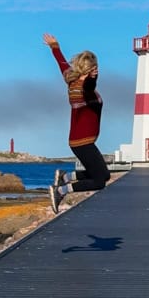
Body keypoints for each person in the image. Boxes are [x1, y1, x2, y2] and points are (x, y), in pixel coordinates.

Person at [43, 32, 111, 213]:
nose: (96, 70)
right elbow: (90, 85)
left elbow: (62, 64)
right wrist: (91, 78)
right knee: (99, 182)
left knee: (103, 175)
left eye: (96, 67)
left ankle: (66, 177)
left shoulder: (71, 81)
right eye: (93, 68)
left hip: (81, 140)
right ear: (86, 70)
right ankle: (61, 190)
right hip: (83, 142)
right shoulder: (85, 88)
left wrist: (55, 46)